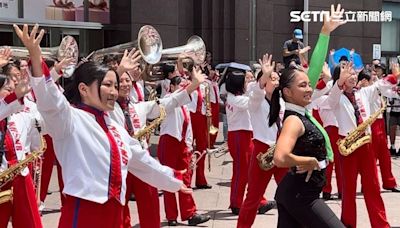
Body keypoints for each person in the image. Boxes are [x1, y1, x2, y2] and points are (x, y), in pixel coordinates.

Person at [15, 23, 192, 228]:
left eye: (115, 86)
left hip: (114, 214)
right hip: (84, 214)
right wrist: (36, 58)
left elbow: (143, 162)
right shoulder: (70, 119)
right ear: (84, 89)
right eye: (107, 85)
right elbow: (49, 99)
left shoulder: (115, 128)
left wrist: (175, 181)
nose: (114, 91)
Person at [271, 65, 344, 228]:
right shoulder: (294, 121)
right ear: (288, 92)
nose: (309, 89)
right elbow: (280, 157)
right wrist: (308, 161)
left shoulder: (303, 113)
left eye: (309, 84)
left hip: (296, 193)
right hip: (301, 196)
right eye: (302, 85)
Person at [327, 62, 396, 228]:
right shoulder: (335, 96)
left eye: (352, 73)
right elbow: (332, 99)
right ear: (339, 77)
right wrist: (338, 83)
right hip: (348, 147)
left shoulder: (363, 92)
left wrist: (396, 74)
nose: (351, 76)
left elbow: (381, 84)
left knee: (373, 188)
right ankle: (349, 224)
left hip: (366, 144)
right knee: (349, 191)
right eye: (346, 73)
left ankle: (381, 224)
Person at [237, 54, 287, 228]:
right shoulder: (256, 101)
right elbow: (256, 92)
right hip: (262, 151)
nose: (276, 80)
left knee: (289, 194)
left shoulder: (281, 101)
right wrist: (265, 73)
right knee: (253, 197)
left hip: (281, 150)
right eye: (272, 78)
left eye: (276, 77)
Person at [158, 75, 211, 226]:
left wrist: (189, 148)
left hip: (182, 145)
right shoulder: (168, 99)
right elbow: (177, 97)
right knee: (169, 179)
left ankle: (190, 213)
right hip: (169, 142)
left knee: (186, 180)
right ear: (172, 87)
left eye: (185, 85)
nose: (184, 88)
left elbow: (188, 129)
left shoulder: (186, 105)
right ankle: (171, 216)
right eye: (180, 85)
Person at [0, 72, 43, 228]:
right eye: (7, 89)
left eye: (13, 89)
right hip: (3, 178)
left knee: (30, 222)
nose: (12, 92)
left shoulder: (20, 116)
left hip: (18, 174)